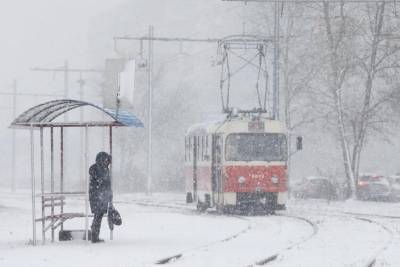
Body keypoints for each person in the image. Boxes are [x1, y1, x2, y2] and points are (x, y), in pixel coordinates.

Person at [89, 152, 112, 243]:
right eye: (106, 160)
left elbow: (106, 184)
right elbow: (102, 183)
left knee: (98, 216)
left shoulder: (102, 169)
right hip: (97, 197)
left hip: (99, 196)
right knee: (98, 215)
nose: (107, 163)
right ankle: (94, 236)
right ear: (102, 160)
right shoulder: (98, 169)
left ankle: (94, 234)